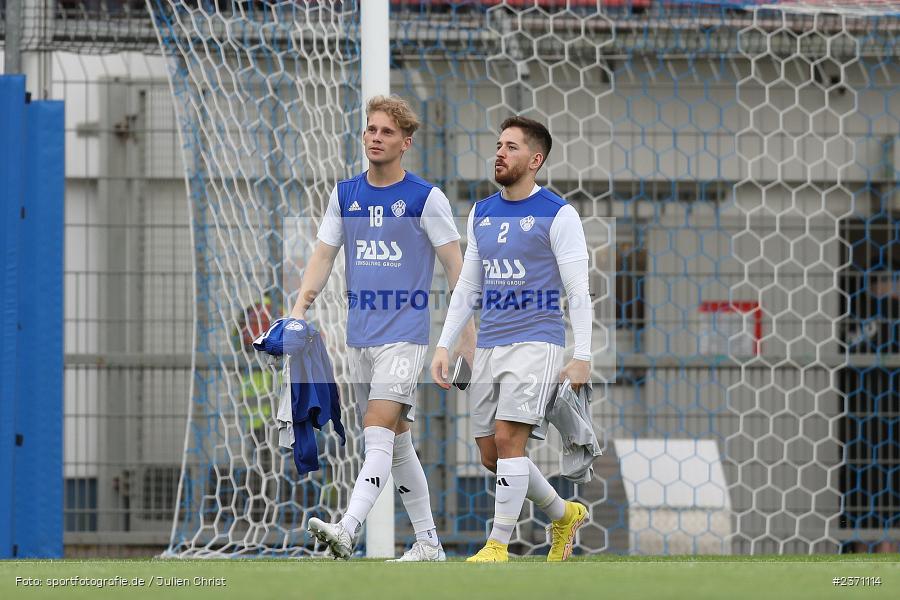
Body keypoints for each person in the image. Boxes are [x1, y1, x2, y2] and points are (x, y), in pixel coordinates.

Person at [293, 95, 475, 561]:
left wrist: (465, 335)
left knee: (376, 430)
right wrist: (298, 310)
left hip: (405, 335)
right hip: (360, 338)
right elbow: (323, 256)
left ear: (405, 142)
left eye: (387, 132)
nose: (376, 138)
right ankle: (429, 543)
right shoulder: (345, 195)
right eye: (371, 129)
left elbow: (457, 268)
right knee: (397, 444)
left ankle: (347, 528)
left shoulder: (425, 198)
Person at [432, 116, 592, 562]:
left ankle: (497, 545)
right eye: (499, 145)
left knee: (508, 441)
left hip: (536, 342)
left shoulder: (558, 214)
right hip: (490, 345)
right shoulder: (481, 212)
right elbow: (468, 286)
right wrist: (444, 344)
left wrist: (582, 355)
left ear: (535, 160)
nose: (500, 153)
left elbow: (578, 290)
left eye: (512, 147)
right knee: (492, 454)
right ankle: (564, 515)